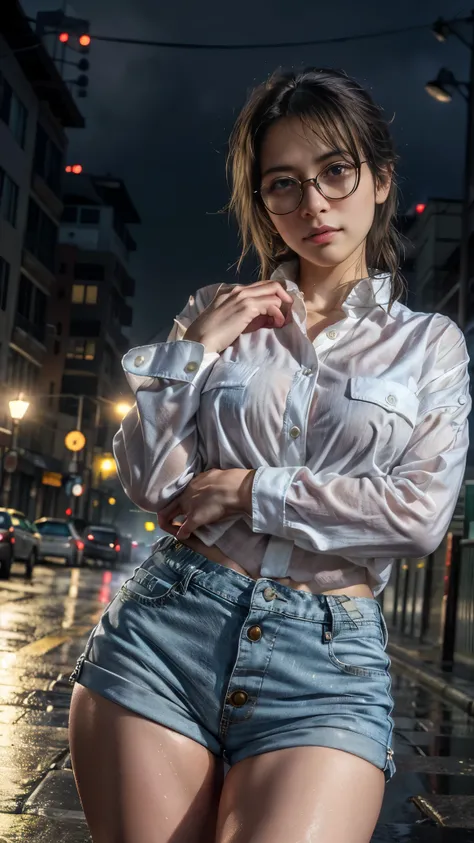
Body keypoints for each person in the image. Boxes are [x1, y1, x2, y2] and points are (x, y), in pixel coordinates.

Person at [68, 67, 471, 843]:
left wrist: (252, 489)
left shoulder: (430, 346)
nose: (312, 204)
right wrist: (190, 350)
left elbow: (419, 516)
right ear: (262, 202)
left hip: (326, 668)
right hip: (165, 632)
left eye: (335, 172)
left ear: (381, 179)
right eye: (282, 184)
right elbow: (157, 486)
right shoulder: (212, 315)